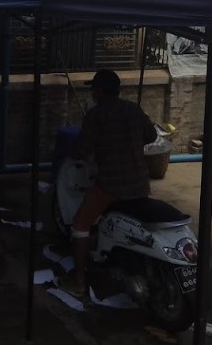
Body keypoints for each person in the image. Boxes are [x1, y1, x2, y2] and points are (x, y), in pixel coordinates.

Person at [63, 69, 156, 298]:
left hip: (111, 186)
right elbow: (151, 136)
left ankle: (79, 281)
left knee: (80, 225)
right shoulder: (133, 109)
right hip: (140, 184)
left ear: (100, 91)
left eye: (94, 89)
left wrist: (74, 152)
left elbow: (82, 150)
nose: (92, 93)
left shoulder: (96, 115)